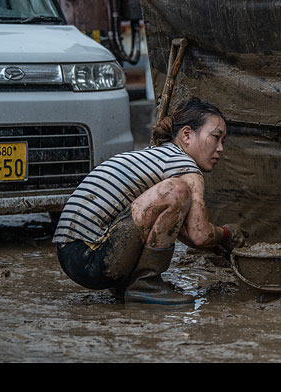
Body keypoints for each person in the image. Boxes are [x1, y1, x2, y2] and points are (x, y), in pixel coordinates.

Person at [52, 96, 248, 305]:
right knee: (176, 191)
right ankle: (146, 285)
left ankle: (129, 284)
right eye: (215, 137)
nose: (220, 149)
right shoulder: (185, 167)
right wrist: (227, 233)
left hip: (72, 255)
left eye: (223, 141)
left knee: (173, 194)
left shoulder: (157, 157)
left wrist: (216, 244)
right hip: (90, 255)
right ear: (187, 135)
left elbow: (181, 230)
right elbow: (200, 234)